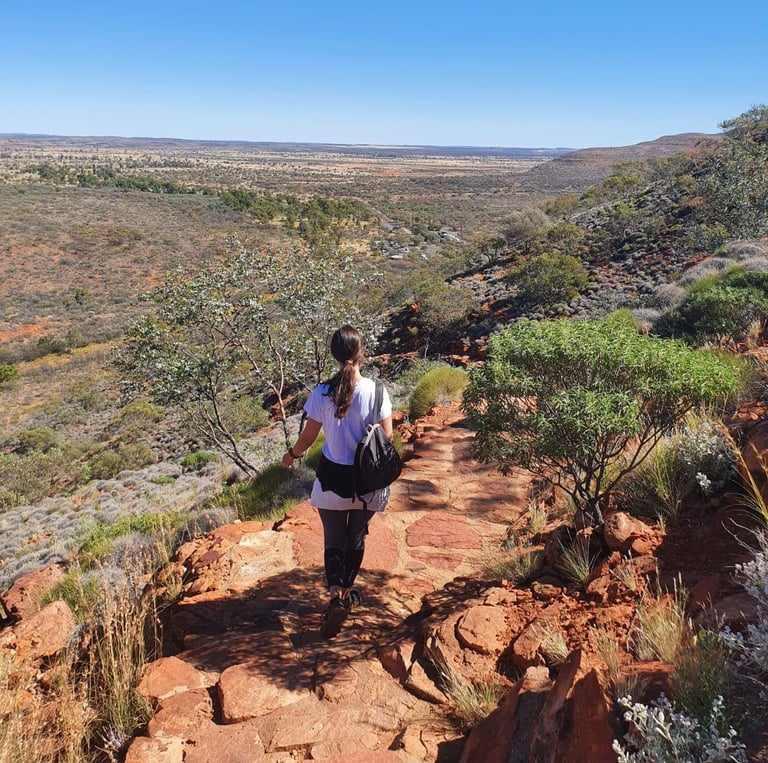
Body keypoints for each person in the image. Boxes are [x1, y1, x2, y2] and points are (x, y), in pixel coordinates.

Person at [282, 324, 394, 637]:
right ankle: (346, 593)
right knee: (355, 539)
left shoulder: (321, 393)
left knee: (333, 541)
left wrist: (291, 455)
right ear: (361, 353)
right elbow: (387, 437)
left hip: (332, 478)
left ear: (334, 355)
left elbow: (308, 437)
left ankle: (334, 597)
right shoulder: (377, 392)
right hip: (366, 482)